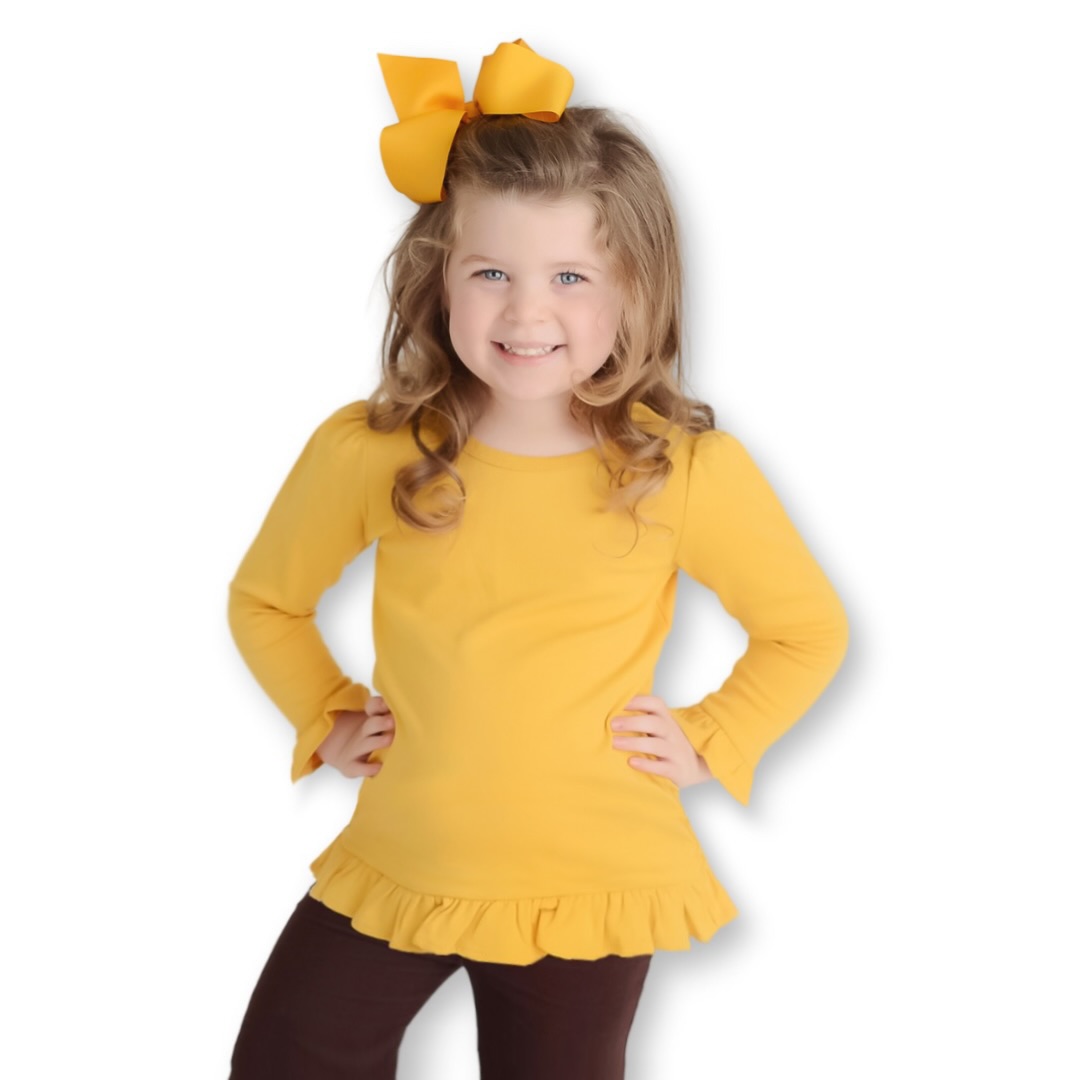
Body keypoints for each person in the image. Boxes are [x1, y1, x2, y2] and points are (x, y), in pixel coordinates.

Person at [226, 39, 849, 1080]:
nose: (526, 312)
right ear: (438, 278)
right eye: (491, 274)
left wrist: (714, 735)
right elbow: (265, 601)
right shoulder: (372, 450)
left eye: (569, 276)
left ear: (635, 289)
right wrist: (326, 714)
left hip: (592, 881)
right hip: (404, 859)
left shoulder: (683, 470)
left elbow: (806, 630)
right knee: (290, 1057)